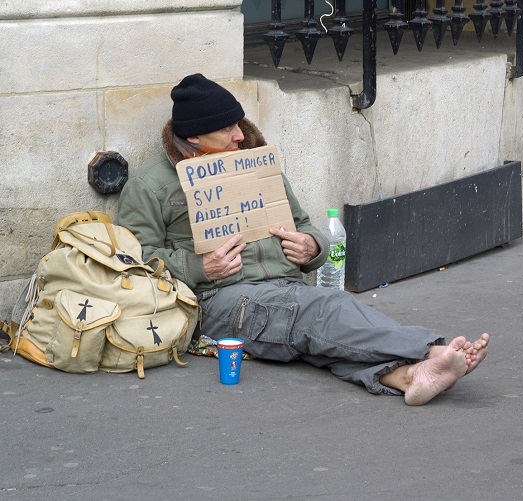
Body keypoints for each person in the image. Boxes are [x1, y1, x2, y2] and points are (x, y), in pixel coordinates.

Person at [118, 73, 489, 405]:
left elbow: (303, 224)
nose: (239, 135)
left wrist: (312, 247)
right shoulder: (150, 186)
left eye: (238, 125)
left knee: (317, 331)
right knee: (324, 312)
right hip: (219, 301)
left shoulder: (252, 162)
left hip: (285, 286)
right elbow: (133, 262)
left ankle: (407, 377)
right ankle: (431, 351)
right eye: (228, 128)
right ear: (194, 136)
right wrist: (200, 266)